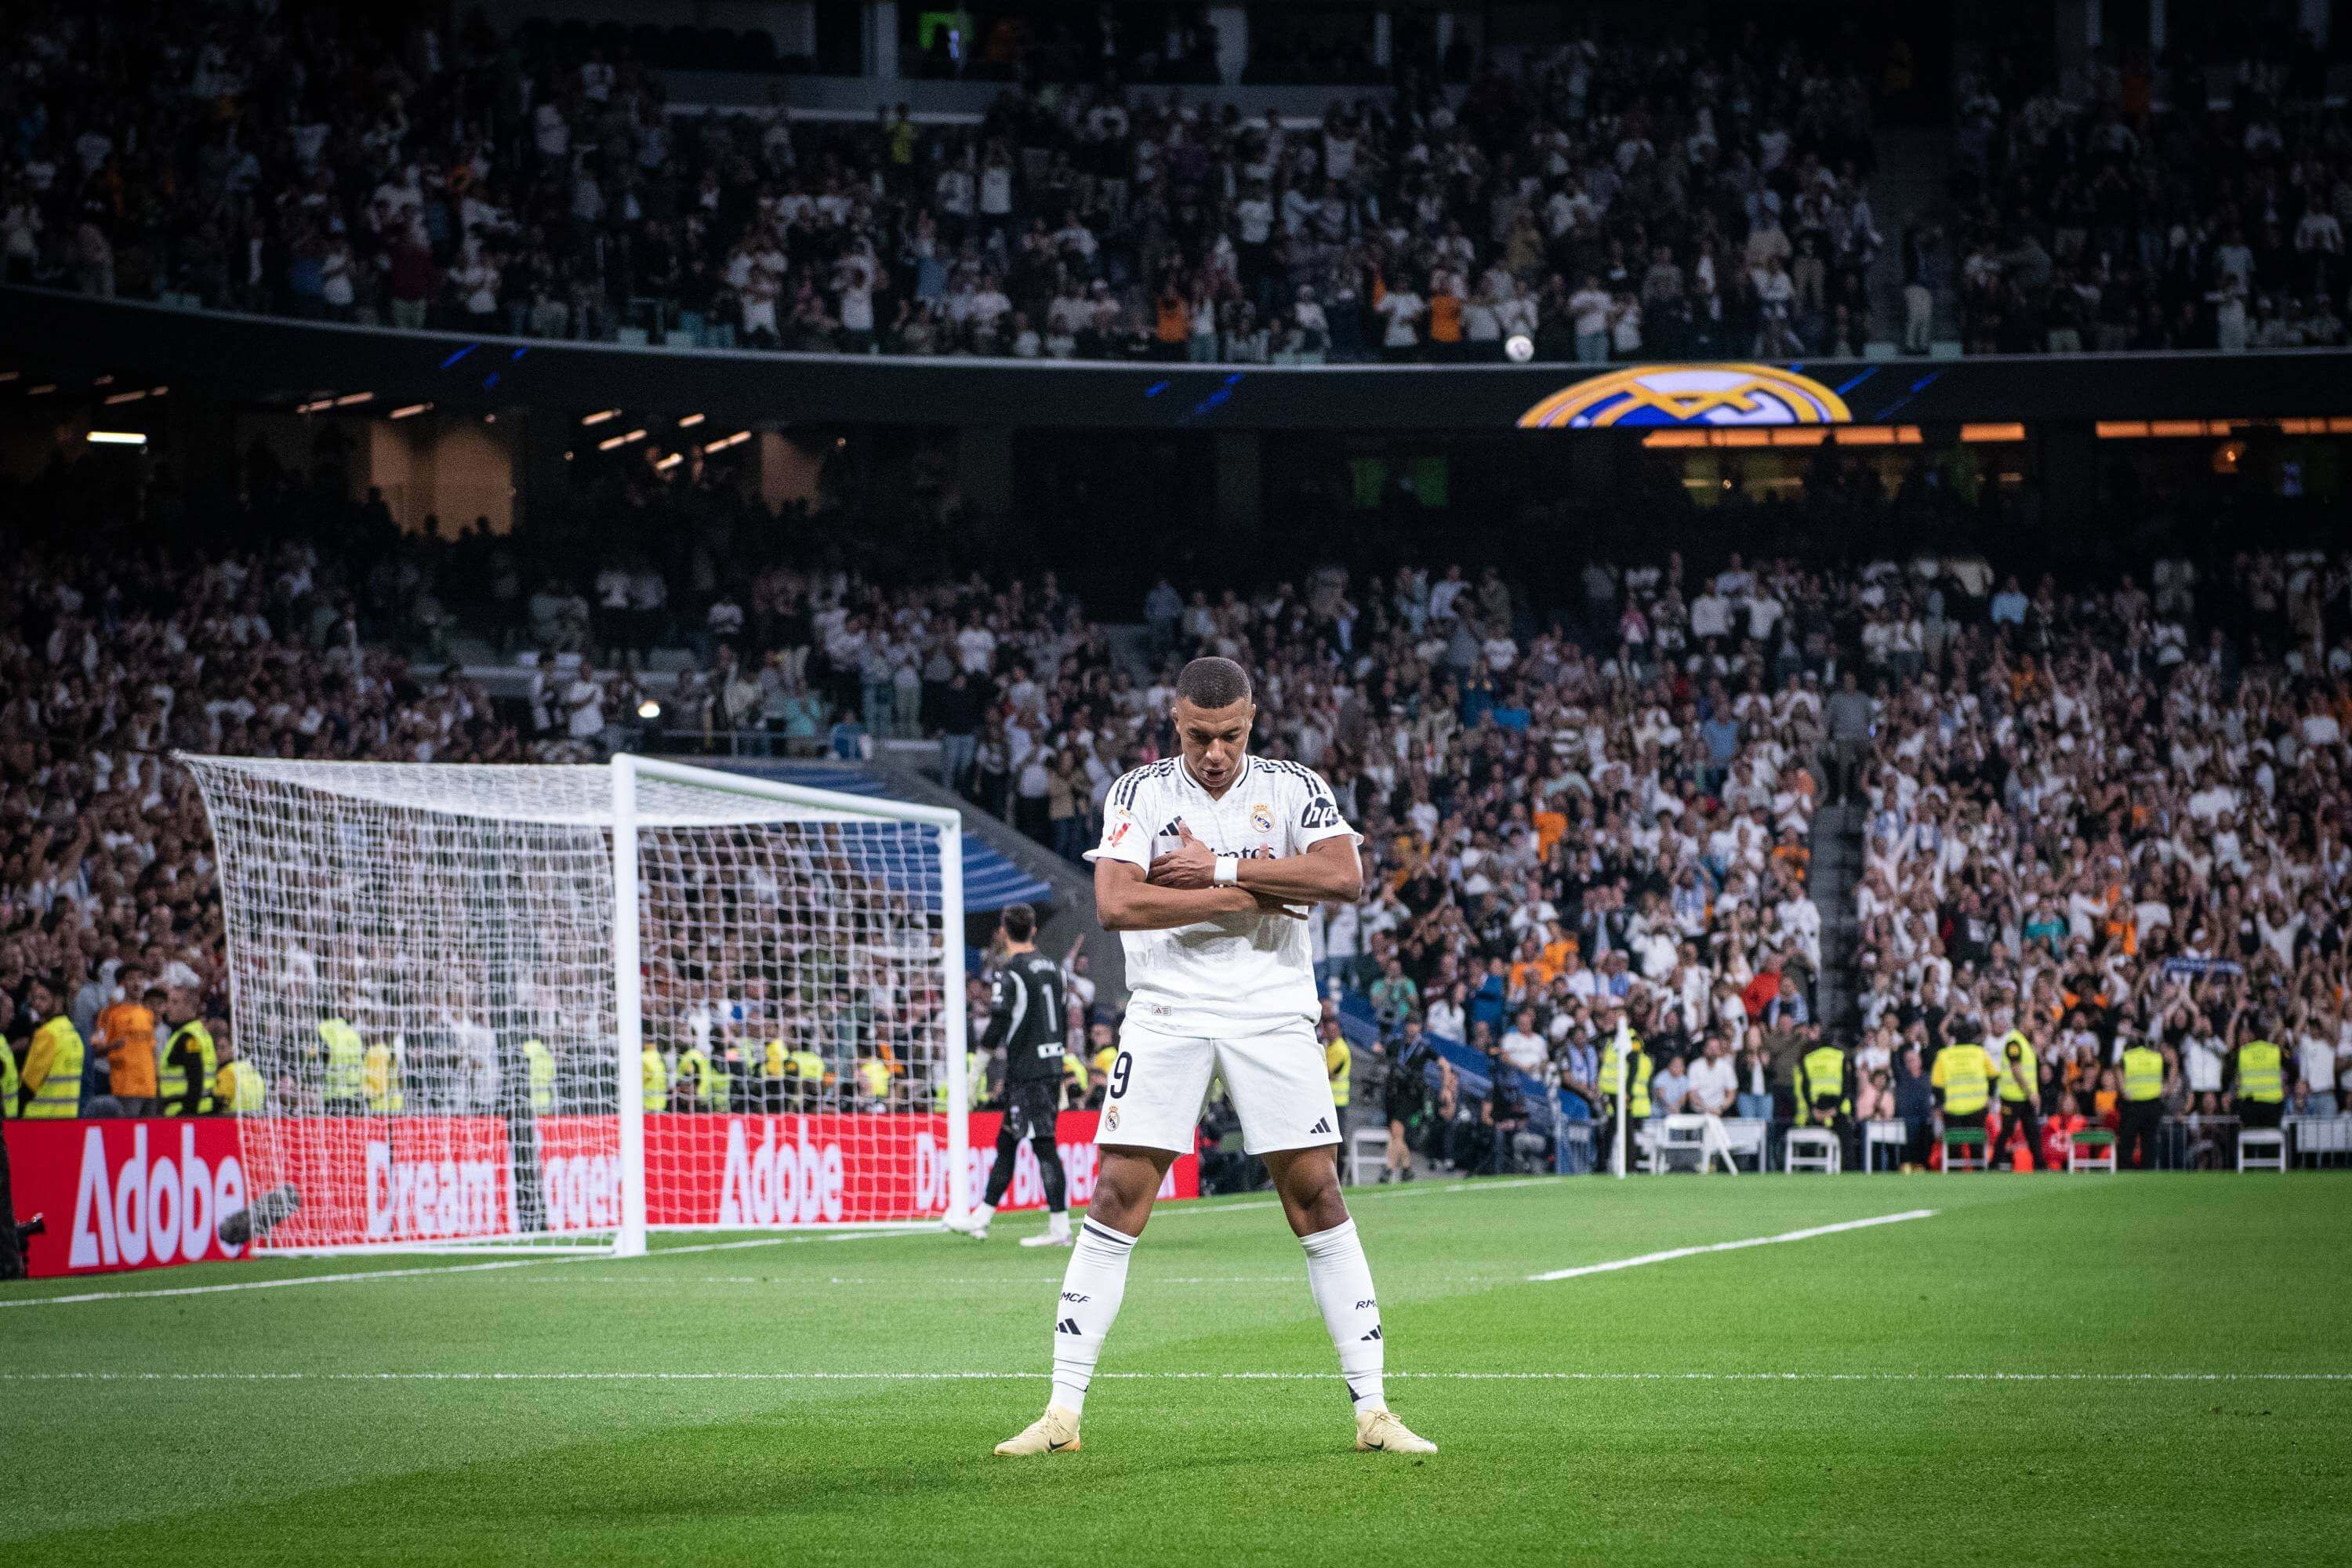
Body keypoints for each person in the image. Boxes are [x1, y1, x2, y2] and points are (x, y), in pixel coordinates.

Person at [993, 656, 1435, 1458]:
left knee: (1317, 1195)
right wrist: (1243, 895)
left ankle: (1374, 1411)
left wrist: (1222, 866)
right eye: (1200, 736)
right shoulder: (1140, 792)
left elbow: (1344, 876)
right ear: (1176, 721)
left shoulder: (1295, 787)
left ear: (1252, 719)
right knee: (1116, 1194)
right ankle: (1061, 1414)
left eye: (1230, 734)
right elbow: (1116, 902)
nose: (1216, 752)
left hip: (1273, 1012)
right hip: (1168, 1011)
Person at [949, 903, 1076, 1247]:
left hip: (1028, 1072)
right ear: (1033, 929)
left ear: (1004, 931)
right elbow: (1062, 1022)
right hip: (1048, 1068)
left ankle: (1060, 1228)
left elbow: (998, 1025)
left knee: (1043, 1146)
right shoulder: (1057, 969)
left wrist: (975, 1072)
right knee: (1007, 1141)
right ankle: (981, 1218)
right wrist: (1060, 1067)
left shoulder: (1011, 972)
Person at [92, 968, 159, 1116]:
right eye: (131, 978)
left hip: (149, 1087)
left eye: (140, 978)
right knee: (127, 1128)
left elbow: (152, 1049)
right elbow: (95, 1050)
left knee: (150, 1130)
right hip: (126, 1087)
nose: (137, 983)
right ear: (123, 983)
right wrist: (113, 1045)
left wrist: (157, 1076)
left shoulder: (148, 1014)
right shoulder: (110, 1013)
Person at [15, 980, 85, 1120]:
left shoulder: (47, 1033)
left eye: (43, 998)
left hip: (40, 1117)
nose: (36, 1003)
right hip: (67, 1115)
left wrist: (16, 1116)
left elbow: (29, 1084)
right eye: (35, 998)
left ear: (58, 1000)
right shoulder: (72, 1033)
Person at [1931, 1024, 1994, 1158]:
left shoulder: (1944, 1055)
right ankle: (1979, 1169)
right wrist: (1990, 1096)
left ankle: (1955, 1169)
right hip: (1978, 1107)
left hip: (1952, 1109)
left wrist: (1942, 1103)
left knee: (1954, 1148)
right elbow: (1993, 1076)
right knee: (1976, 1147)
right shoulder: (1980, 1053)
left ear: (1955, 1037)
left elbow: (1937, 1085)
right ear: (1972, 1037)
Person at [1994, 1025, 2042, 1171]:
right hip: (2012, 1097)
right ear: (2023, 1023)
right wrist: (2030, 1092)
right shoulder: (2014, 1042)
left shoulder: (2024, 1042)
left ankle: (2040, 1164)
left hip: (2024, 1097)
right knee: (2007, 1130)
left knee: (2032, 1131)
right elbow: (2016, 1069)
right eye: (2030, 1019)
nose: (2032, 1023)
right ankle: (1994, 1163)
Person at [2118, 1033, 2167, 1171]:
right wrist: (2165, 1089)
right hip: (2153, 1104)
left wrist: (2123, 1091)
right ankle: (2149, 1172)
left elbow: (2118, 1072)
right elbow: (2172, 1066)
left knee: (2127, 1141)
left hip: (2133, 1105)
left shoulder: (2127, 1057)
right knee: (2150, 1142)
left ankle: (2125, 1171)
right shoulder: (2157, 1057)